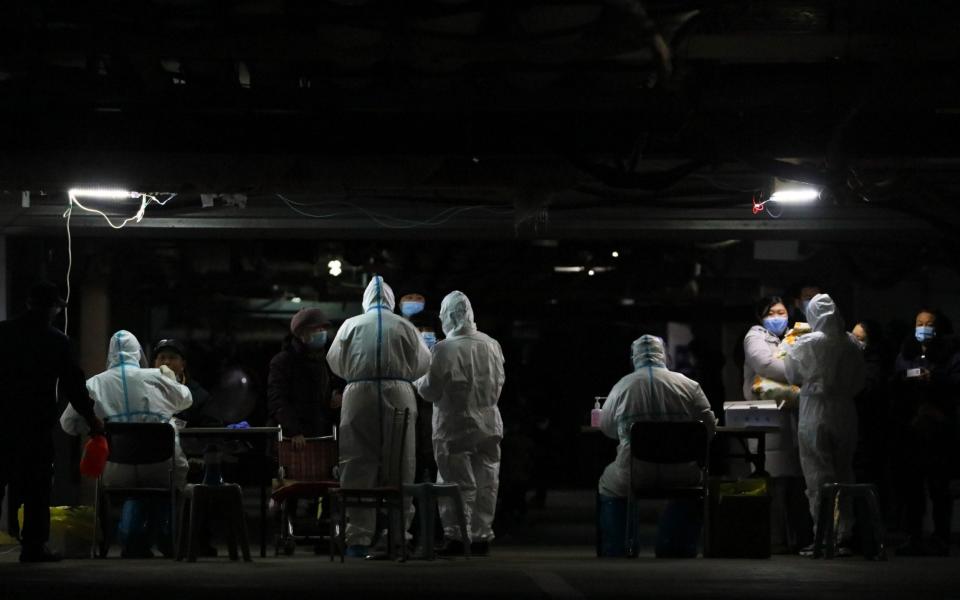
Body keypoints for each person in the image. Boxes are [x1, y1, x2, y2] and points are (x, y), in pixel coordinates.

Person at [60, 330, 192, 558]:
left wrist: (94, 426)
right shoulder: (156, 377)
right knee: (165, 485)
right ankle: (167, 539)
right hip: (161, 468)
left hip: (114, 471)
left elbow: (67, 424)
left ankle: (132, 541)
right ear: (137, 353)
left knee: (135, 494)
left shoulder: (94, 383)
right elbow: (185, 399)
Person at [326, 276, 431, 557]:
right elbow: (423, 362)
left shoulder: (351, 325)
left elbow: (334, 360)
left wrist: (357, 373)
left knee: (357, 461)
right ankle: (398, 535)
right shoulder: (405, 326)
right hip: (399, 392)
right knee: (401, 463)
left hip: (359, 393)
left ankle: (358, 539)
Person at [0, 281, 104, 563]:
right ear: (55, 308)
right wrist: (91, 418)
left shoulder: (3, 333)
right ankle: (33, 547)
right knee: (36, 487)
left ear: (28, 303)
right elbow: (73, 385)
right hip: (34, 423)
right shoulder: (57, 341)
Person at [416, 291, 505, 556]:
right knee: (487, 481)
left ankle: (457, 537)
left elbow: (430, 391)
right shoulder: (491, 344)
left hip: (455, 424)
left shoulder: (444, 349)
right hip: (490, 422)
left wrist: (415, 379)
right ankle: (481, 537)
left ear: (446, 316)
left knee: (455, 483)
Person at [784, 294, 866, 557]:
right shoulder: (852, 343)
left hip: (815, 409)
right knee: (844, 471)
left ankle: (824, 535)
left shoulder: (806, 343)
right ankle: (844, 536)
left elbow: (792, 375)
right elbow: (861, 380)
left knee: (818, 474)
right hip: (845, 411)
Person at [598, 335, 717, 498]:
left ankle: (625, 523)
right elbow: (708, 431)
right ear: (664, 355)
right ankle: (676, 523)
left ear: (634, 358)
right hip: (683, 473)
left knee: (606, 484)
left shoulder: (622, 386)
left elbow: (607, 428)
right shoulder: (690, 386)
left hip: (634, 473)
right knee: (696, 490)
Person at [891, 308, 959, 556]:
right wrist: (909, 378)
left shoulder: (951, 353)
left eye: (928, 324)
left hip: (939, 429)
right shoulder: (907, 350)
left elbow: (955, 381)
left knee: (939, 488)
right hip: (911, 427)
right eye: (919, 323)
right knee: (913, 488)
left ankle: (940, 537)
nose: (923, 327)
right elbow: (897, 377)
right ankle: (913, 536)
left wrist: (936, 378)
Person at [742, 295, 807, 551]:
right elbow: (766, 364)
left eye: (782, 312)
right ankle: (774, 540)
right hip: (767, 414)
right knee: (773, 482)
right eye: (773, 313)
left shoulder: (790, 337)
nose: (779, 317)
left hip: (790, 416)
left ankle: (793, 539)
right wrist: (800, 372)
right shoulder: (755, 337)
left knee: (792, 483)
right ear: (762, 316)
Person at [267, 308, 342, 448]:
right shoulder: (283, 361)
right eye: (316, 329)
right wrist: (293, 431)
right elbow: (277, 399)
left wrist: (336, 395)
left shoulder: (327, 359)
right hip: (293, 442)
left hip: (322, 437)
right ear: (301, 333)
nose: (322, 333)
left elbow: (334, 386)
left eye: (323, 329)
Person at [152, 339, 216, 427]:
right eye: (162, 357)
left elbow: (209, 430)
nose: (166, 362)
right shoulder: (146, 390)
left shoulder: (199, 396)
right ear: (155, 363)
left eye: (172, 357)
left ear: (183, 365)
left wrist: (177, 424)